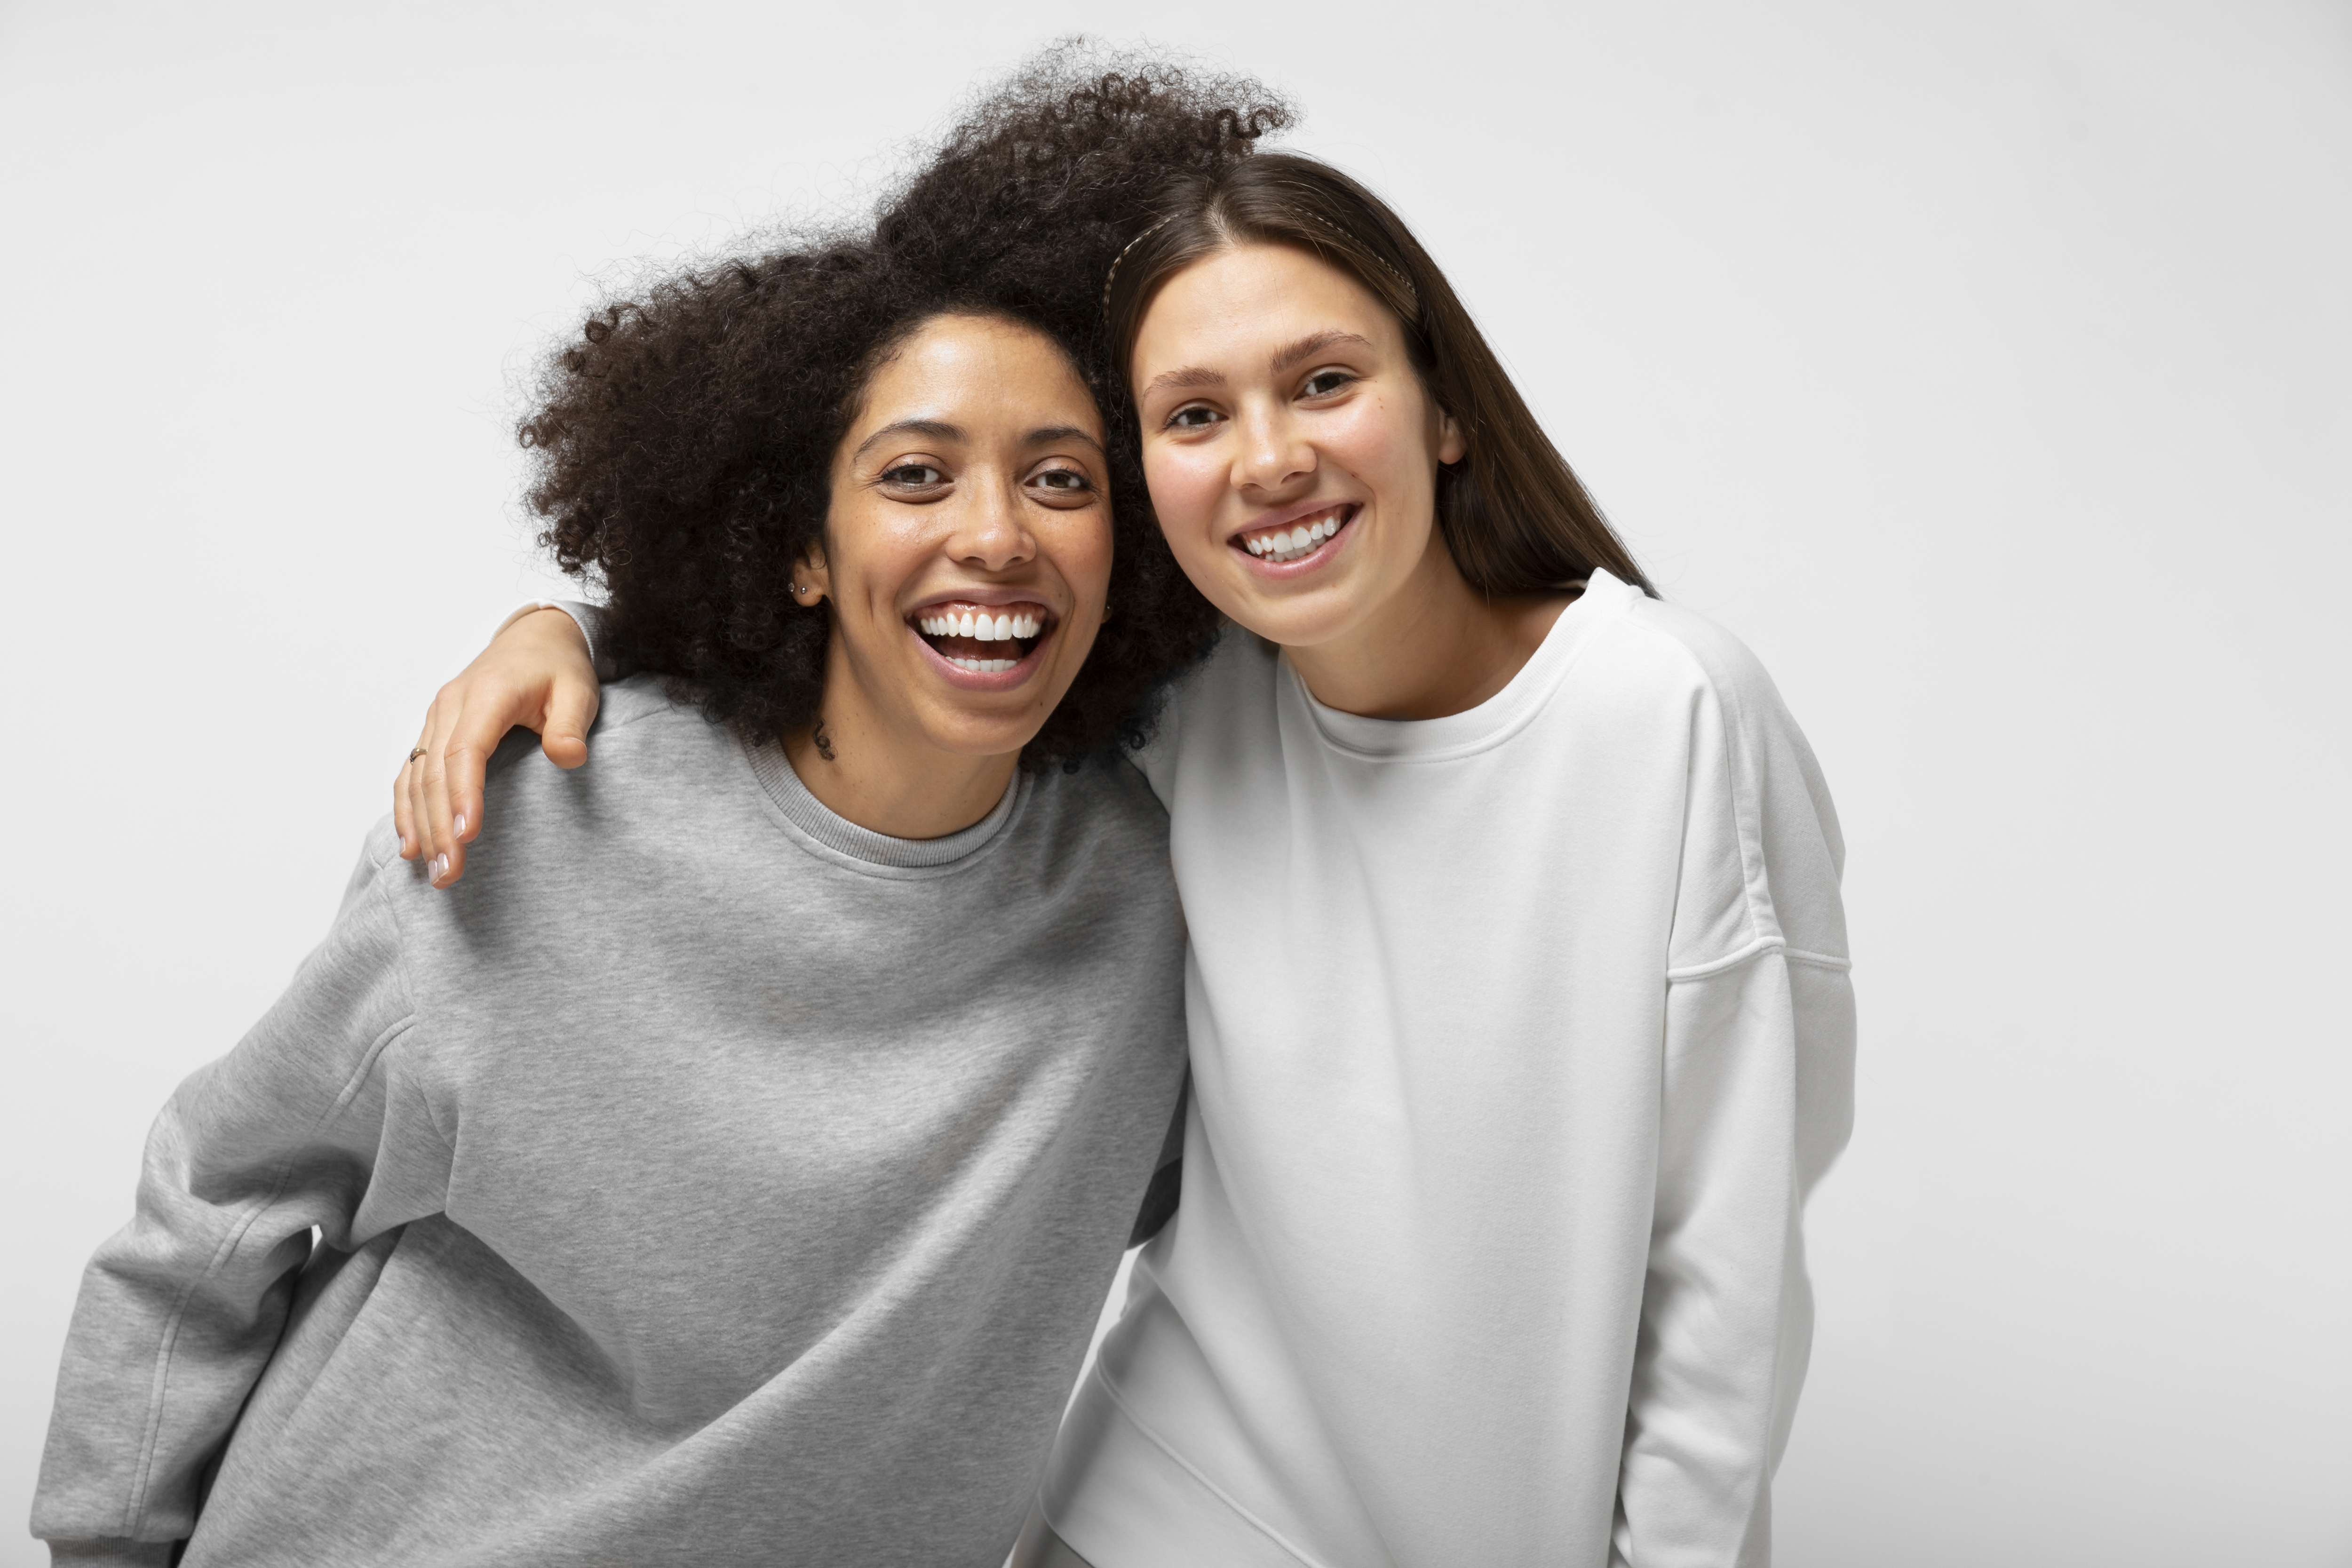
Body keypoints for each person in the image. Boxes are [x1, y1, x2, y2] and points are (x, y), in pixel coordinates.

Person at [393, 58, 1857, 1568]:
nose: (1271, 456)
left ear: (1445, 411)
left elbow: (1726, 1280)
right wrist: (569, 630)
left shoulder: (1664, 714)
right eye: (1193, 413)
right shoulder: (1188, 700)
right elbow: (894, 641)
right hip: (1167, 1507)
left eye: (1326, 381)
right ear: (1146, 480)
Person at [29, 62, 1287, 1568]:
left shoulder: (1145, 899)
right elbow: (213, 1212)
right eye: (914, 474)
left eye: (1062, 479)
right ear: (799, 545)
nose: (996, 536)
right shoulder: (550, 824)